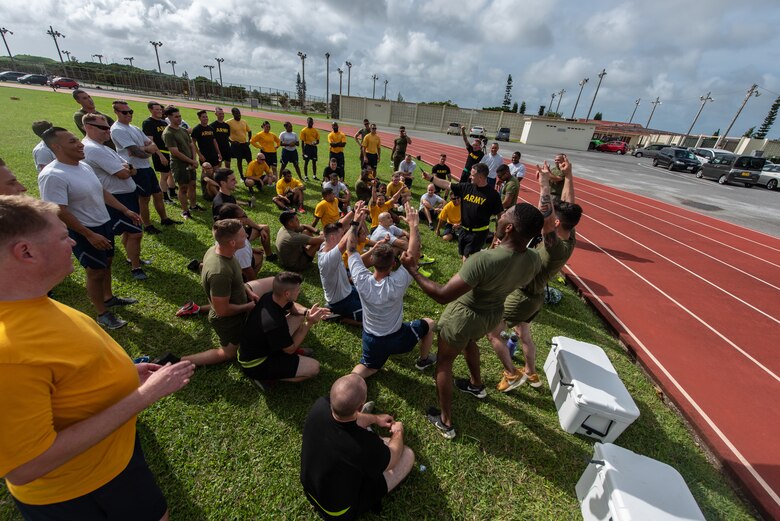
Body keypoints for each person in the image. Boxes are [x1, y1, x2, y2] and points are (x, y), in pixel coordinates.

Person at [0, 195, 195, 521]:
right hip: (79, 491)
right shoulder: (8, 353)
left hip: (113, 459)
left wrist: (126, 375)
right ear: (26, 252)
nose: (72, 243)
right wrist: (144, 396)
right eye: (65, 236)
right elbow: (25, 466)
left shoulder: (31, 299)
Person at [401, 202, 544, 439]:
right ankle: (476, 385)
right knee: (469, 343)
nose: (498, 218)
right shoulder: (533, 259)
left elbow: (442, 295)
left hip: (464, 316)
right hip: (492, 314)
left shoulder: (484, 259)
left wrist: (412, 269)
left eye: (503, 216)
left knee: (444, 363)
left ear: (509, 228)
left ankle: (445, 421)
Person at [488, 157, 581, 392]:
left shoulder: (555, 246)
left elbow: (547, 218)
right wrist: (568, 175)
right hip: (535, 298)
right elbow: (568, 206)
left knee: (492, 332)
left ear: (557, 222)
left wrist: (544, 185)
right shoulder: (569, 236)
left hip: (523, 295)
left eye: (554, 218)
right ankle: (530, 372)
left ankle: (511, 375)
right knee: (524, 333)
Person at [38, 127, 142, 330]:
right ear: (56, 147)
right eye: (72, 142)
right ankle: (102, 313)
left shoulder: (83, 166)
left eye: (77, 139)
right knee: (95, 271)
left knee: (107, 263)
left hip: (103, 224)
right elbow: (58, 210)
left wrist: (125, 210)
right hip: (84, 230)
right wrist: (89, 234)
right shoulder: (53, 174)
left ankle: (109, 297)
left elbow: (101, 191)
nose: (79, 144)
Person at [300, 374, 414, 520]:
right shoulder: (362, 445)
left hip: (310, 490)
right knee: (407, 455)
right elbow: (393, 458)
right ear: (360, 407)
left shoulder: (320, 405)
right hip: (337, 512)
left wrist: (376, 418)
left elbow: (349, 418)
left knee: (378, 448)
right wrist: (398, 432)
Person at [348, 203, 436, 378]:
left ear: (372, 260)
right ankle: (424, 360)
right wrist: (414, 225)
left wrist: (355, 222)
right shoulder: (398, 281)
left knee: (368, 367)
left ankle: (349, 382)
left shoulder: (360, 278)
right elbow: (414, 254)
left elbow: (351, 249)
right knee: (430, 323)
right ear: (394, 264)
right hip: (397, 338)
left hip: (371, 339)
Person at [184, 219, 259, 366]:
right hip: (229, 320)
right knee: (228, 353)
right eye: (243, 236)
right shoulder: (220, 273)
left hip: (238, 300)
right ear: (232, 242)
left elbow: (236, 277)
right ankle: (178, 362)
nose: (246, 238)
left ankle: (198, 309)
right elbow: (222, 311)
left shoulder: (219, 250)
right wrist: (248, 307)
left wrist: (248, 292)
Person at [82, 114, 147, 281]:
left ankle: (132, 258)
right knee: (134, 233)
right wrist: (128, 170)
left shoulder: (104, 147)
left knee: (131, 231)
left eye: (108, 127)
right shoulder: (92, 148)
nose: (108, 131)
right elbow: (124, 173)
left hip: (126, 195)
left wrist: (129, 169)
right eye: (103, 128)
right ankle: (136, 267)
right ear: (88, 127)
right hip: (117, 198)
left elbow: (131, 169)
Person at [238, 271, 328, 388]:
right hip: (255, 364)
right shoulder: (274, 324)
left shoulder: (270, 297)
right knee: (314, 368)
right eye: (297, 290)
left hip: (252, 349)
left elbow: (294, 308)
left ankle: (279, 357)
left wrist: (308, 312)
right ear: (286, 294)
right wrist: (309, 323)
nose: (299, 291)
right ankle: (264, 378)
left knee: (299, 315)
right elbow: (290, 350)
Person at [111, 100, 177, 235]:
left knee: (158, 194)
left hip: (146, 167)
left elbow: (150, 144)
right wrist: (146, 149)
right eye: (125, 112)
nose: (129, 114)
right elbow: (138, 153)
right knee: (144, 198)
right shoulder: (117, 129)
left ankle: (164, 218)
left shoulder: (134, 128)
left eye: (130, 111)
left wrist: (144, 148)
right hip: (136, 169)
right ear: (116, 112)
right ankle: (147, 225)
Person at [423, 162, 502, 259]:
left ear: (480, 177)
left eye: (472, 175)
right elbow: (447, 184)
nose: (470, 177)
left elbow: (500, 216)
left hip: (478, 234)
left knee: (467, 258)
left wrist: (498, 236)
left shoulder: (493, 195)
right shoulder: (466, 187)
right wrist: (431, 178)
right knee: (464, 256)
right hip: (464, 231)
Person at [317, 204, 364, 326]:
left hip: (349, 290)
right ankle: (343, 317)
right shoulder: (327, 258)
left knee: (372, 298)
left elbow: (341, 225)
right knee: (373, 318)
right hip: (341, 302)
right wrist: (356, 222)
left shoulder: (325, 244)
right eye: (340, 235)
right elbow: (344, 242)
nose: (343, 236)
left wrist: (354, 211)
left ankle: (333, 310)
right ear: (333, 237)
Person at [162, 106, 200, 220]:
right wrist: (192, 161)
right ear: (169, 117)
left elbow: (191, 145)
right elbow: (175, 152)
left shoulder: (183, 130)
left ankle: (193, 206)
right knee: (183, 188)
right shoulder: (168, 133)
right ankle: (185, 211)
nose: (179, 119)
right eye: (176, 117)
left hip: (191, 162)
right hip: (179, 165)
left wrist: (194, 160)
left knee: (192, 184)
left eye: (180, 116)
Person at [142, 101, 176, 204]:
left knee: (170, 173)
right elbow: (150, 141)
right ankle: (165, 197)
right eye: (156, 109)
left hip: (168, 151)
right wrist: (160, 155)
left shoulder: (164, 122)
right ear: (150, 110)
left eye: (160, 109)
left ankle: (172, 192)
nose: (159, 111)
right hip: (159, 152)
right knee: (164, 174)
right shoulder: (148, 123)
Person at [226, 108, 253, 179]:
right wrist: (231, 141)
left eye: (239, 113)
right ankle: (241, 176)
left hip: (244, 144)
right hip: (236, 145)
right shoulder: (228, 122)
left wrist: (249, 141)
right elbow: (224, 133)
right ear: (233, 114)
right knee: (239, 160)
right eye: (236, 113)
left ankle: (250, 175)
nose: (239, 114)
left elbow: (249, 131)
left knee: (250, 161)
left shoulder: (244, 122)